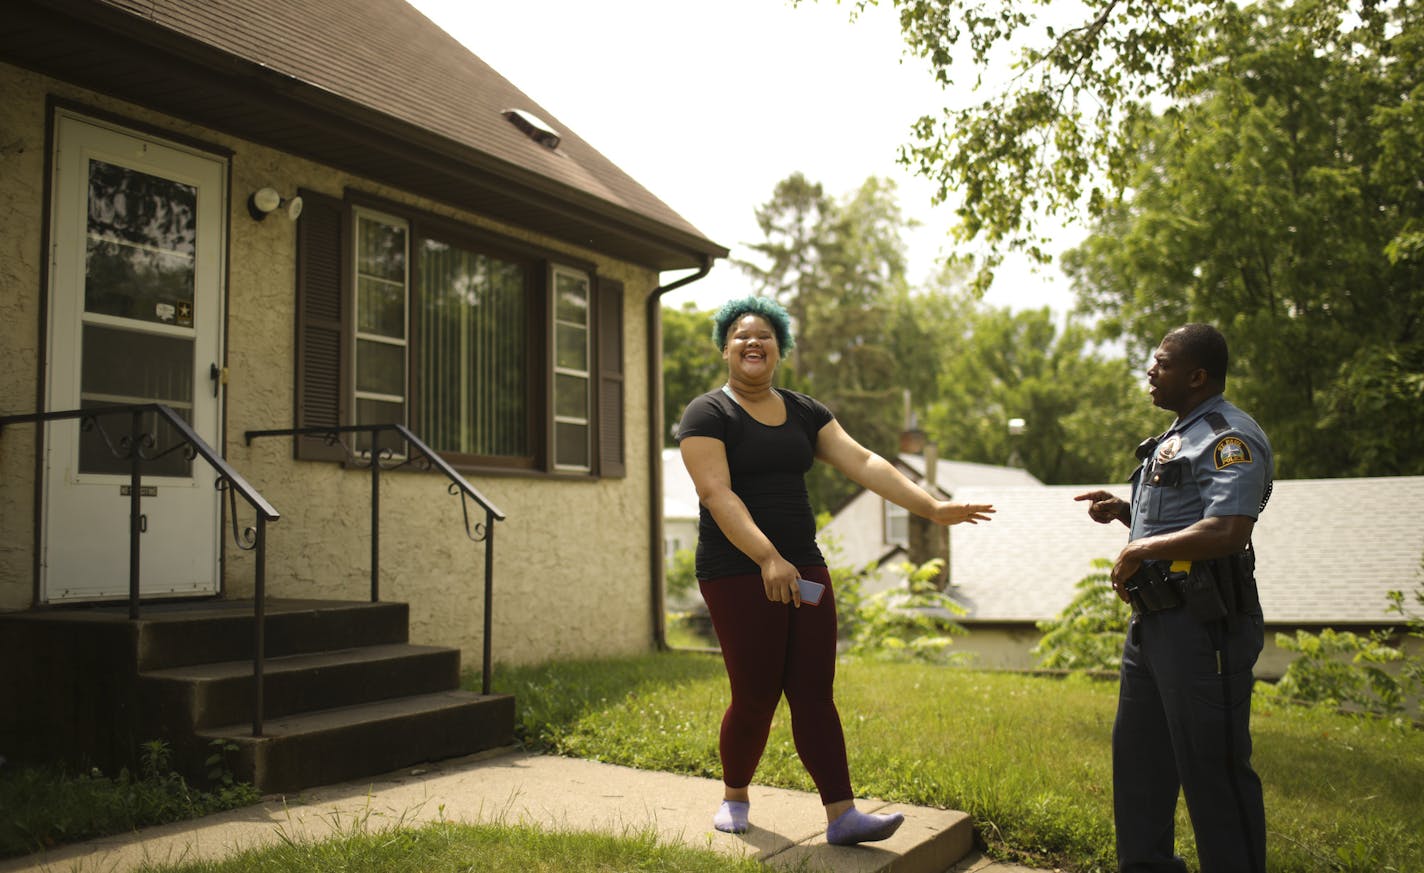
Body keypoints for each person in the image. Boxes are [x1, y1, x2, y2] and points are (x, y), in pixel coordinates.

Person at [676, 295, 994, 845]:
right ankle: (734, 795)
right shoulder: (708, 413)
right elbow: (715, 493)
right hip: (736, 569)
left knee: (814, 692)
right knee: (755, 694)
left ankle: (842, 815)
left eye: (765, 336)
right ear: (725, 348)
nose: (753, 343)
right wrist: (767, 558)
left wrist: (933, 508)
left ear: (781, 348)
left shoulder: (803, 411)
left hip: (804, 567)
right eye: (741, 336)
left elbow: (866, 461)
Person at [1075, 323, 1273, 873]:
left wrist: (1140, 546)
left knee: (1214, 769)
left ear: (1197, 375)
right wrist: (1124, 510)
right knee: (1140, 763)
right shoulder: (1177, 435)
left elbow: (1230, 529)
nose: (1149, 371)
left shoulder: (1227, 436)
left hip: (1205, 626)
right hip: (1154, 624)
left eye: (1160, 363)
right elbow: (1179, 519)